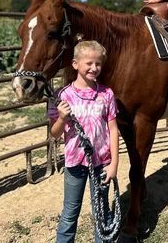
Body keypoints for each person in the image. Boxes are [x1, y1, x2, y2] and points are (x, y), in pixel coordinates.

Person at [48, 40, 119, 243]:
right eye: (88, 63)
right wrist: (61, 118)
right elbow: (54, 133)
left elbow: (113, 130)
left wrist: (114, 163)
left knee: (101, 209)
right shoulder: (62, 96)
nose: (94, 68)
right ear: (75, 64)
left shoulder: (106, 94)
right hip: (75, 162)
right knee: (70, 211)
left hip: (101, 162)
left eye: (98, 64)